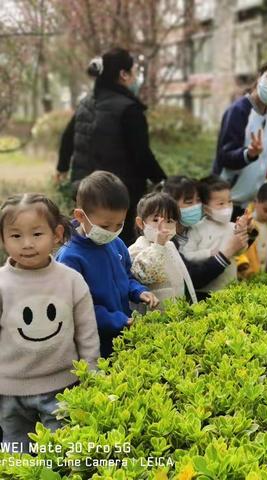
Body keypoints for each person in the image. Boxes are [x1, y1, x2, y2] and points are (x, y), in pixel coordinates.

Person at [0, 193, 99, 451]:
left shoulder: (71, 280)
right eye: (16, 235)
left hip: (61, 387)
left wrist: (91, 373)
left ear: (56, 234)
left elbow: (86, 332)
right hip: (9, 392)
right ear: (2, 239)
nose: (27, 244)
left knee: (59, 453)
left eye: (36, 234)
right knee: (15, 455)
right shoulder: (2, 284)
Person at [56, 48, 167, 246]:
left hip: (86, 191)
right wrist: (162, 180)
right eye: (133, 72)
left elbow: (67, 137)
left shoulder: (86, 103)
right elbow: (141, 155)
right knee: (119, 244)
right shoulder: (129, 109)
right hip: (118, 194)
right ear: (123, 75)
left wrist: (62, 168)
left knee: (88, 240)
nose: (135, 77)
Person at [56, 171, 158, 357]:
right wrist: (116, 320)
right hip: (92, 346)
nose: (112, 232)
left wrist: (138, 291)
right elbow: (75, 308)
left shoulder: (115, 243)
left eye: (119, 225)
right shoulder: (70, 258)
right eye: (104, 226)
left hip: (121, 333)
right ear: (80, 216)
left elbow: (125, 277)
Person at [212, 59, 267, 219]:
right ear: (259, 77)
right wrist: (249, 153)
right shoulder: (238, 111)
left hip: (251, 204)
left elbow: (261, 156)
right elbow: (225, 156)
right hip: (226, 202)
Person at [161, 176, 248, 294]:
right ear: (171, 205)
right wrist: (226, 252)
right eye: (189, 202)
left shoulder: (193, 229)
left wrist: (245, 233)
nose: (197, 206)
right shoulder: (165, 241)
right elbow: (194, 279)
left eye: (198, 200)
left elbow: (238, 248)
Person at [128, 192, 197, 309]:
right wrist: (158, 245)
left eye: (169, 221)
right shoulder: (136, 249)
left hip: (178, 314)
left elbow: (185, 280)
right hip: (155, 318)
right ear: (140, 223)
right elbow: (143, 275)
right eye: (156, 220)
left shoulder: (170, 246)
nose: (163, 227)